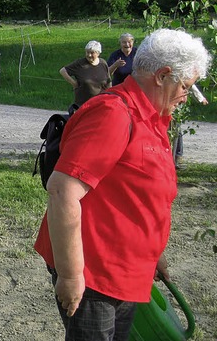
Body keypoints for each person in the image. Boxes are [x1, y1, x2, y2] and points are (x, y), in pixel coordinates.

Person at [34, 28, 211, 341]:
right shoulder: (114, 114)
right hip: (95, 276)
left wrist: (154, 253)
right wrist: (71, 274)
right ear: (163, 75)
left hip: (127, 271)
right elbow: (63, 192)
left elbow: (139, 194)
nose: (186, 96)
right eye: (185, 86)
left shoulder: (154, 118)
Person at [59, 40, 111, 107]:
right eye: (87, 52)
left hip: (100, 103)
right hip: (83, 104)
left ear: (98, 53)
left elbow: (108, 81)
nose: (89, 55)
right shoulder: (80, 64)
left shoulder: (103, 63)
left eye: (92, 53)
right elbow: (63, 71)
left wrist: (109, 95)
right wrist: (74, 83)